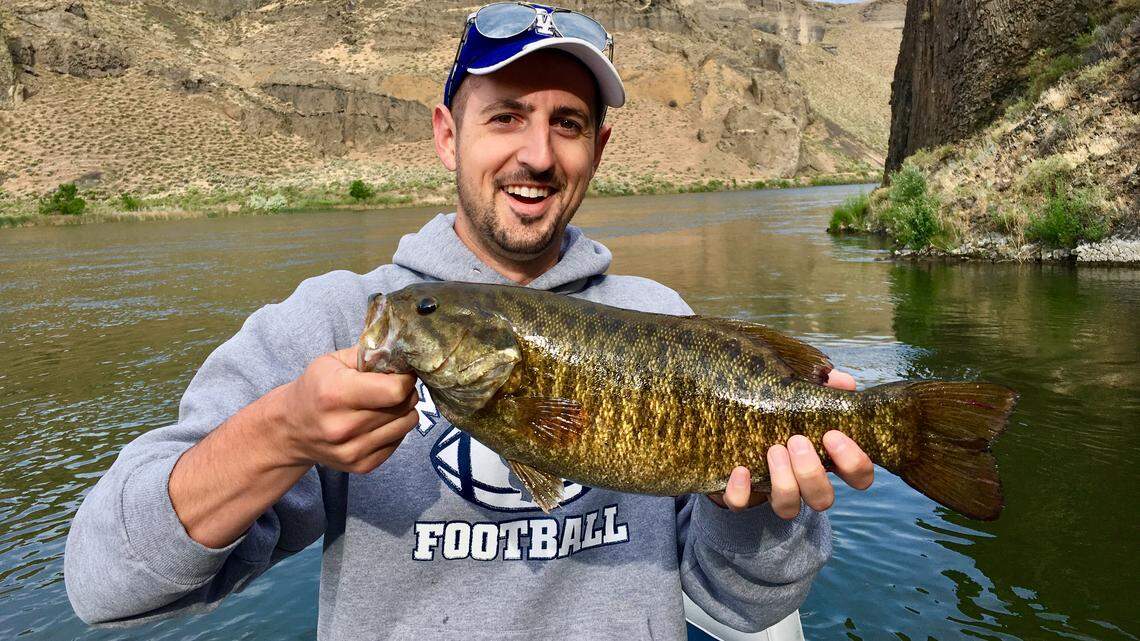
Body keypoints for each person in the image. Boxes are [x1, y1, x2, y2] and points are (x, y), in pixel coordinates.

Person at [64, 3, 874, 639]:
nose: (538, 154)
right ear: (447, 135)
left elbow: (735, 608)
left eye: (569, 123)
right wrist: (279, 435)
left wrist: (766, 509)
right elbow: (105, 584)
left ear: (599, 146)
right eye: (506, 116)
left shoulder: (659, 317)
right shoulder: (334, 322)